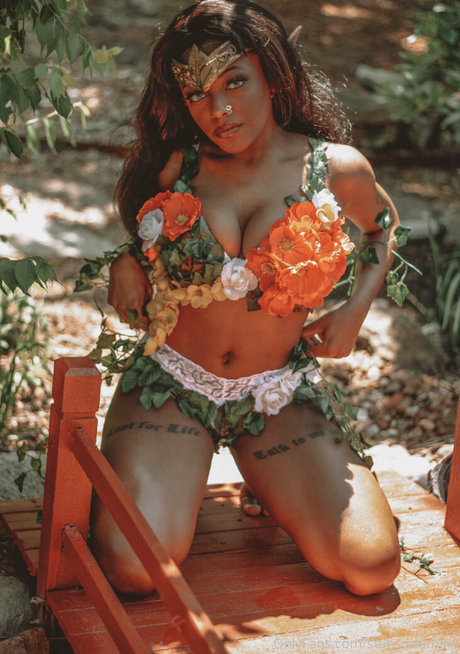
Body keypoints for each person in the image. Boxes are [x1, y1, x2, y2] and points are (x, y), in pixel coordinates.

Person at [91, 0, 401, 598]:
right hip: (173, 385)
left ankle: (270, 478)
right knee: (137, 569)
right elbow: (146, 230)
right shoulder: (178, 165)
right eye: (198, 94)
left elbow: (383, 229)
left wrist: (353, 312)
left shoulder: (333, 170)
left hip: (277, 394)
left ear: (274, 76)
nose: (219, 110)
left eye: (235, 82)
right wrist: (125, 259)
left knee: (371, 567)